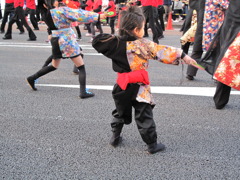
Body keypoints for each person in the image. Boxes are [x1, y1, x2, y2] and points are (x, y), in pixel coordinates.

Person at [92, 6, 197, 154]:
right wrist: (183, 56)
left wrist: (118, 35)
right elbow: (162, 51)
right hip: (139, 87)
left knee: (119, 111)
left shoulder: (114, 43)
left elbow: (97, 41)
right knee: (144, 114)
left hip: (121, 85)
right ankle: (152, 145)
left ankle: (115, 137)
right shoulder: (143, 44)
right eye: (143, 27)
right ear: (136, 30)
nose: (144, 29)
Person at [26, 0, 106, 99]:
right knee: (81, 66)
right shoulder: (61, 10)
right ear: (47, 4)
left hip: (56, 40)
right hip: (67, 39)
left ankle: (32, 78)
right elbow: (79, 14)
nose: (58, 1)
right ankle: (83, 92)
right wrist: (98, 16)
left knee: (54, 65)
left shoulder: (45, 13)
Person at [200, 0, 240, 109]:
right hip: (233, 21)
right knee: (227, 59)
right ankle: (220, 99)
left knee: (227, 59)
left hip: (232, 21)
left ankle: (220, 99)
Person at [186, 0, 229, 80]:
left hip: (202, 22)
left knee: (197, 50)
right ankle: (216, 76)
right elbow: (227, 5)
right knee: (218, 52)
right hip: (214, 26)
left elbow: (192, 4)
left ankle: (190, 72)